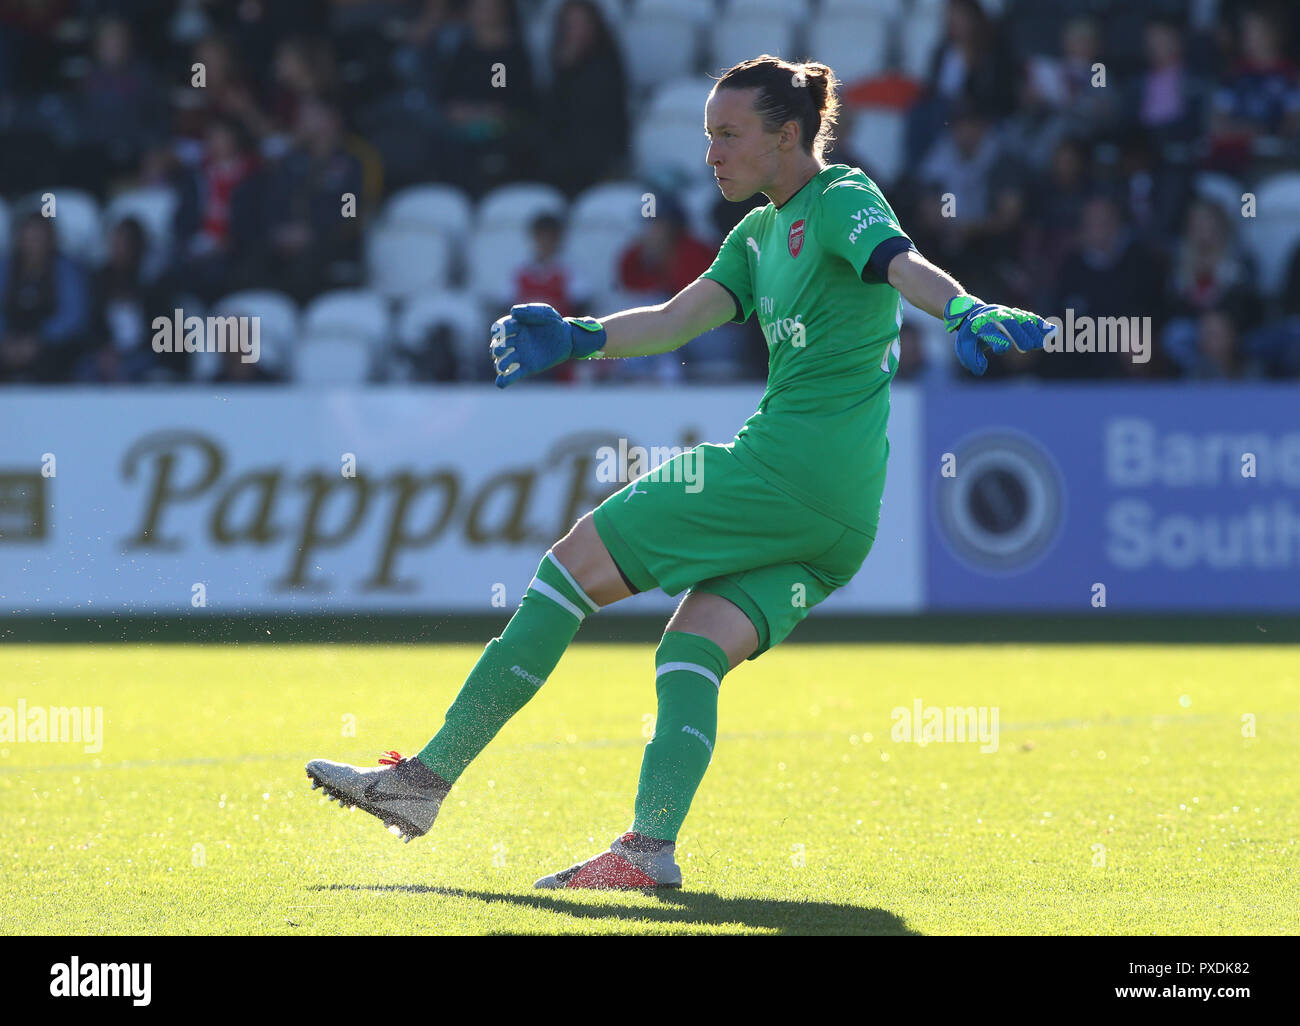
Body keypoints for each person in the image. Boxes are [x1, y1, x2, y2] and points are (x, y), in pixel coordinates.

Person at [306, 55, 1053, 890]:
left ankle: (423, 783)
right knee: (690, 654)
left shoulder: (839, 198)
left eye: (730, 135)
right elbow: (672, 320)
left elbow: (901, 265)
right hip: (841, 526)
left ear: (789, 134)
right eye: (707, 137)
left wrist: (964, 307)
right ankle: (648, 853)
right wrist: (582, 337)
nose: (713, 154)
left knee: (568, 574)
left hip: (783, 474)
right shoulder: (757, 234)